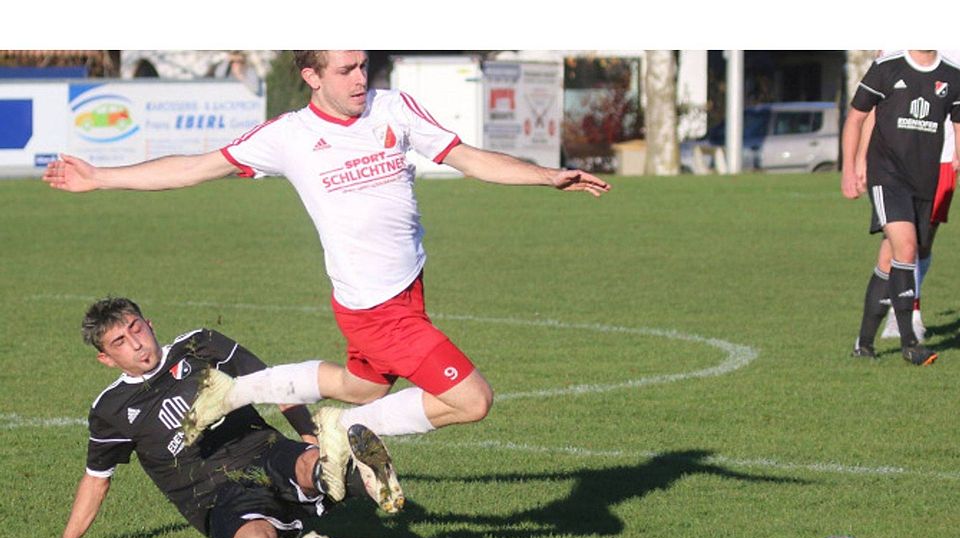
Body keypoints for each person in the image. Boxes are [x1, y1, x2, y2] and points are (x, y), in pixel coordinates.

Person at [43, 50, 611, 441]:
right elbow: (195, 167)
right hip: (377, 309)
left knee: (360, 385)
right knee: (473, 401)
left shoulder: (394, 109)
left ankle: (239, 389)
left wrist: (545, 175)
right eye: (346, 70)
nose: (360, 78)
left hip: (408, 288)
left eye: (364, 65)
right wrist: (102, 176)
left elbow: (469, 158)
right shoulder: (288, 137)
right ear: (313, 77)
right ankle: (343, 430)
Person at [41, 297, 402, 538]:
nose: (136, 344)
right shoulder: (111, 410)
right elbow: (96, 480)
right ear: (105, 358)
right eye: (119, 341)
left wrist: (310, 439)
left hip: (264, 452)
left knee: (313, 466)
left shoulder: (199, 346)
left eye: (136, 328)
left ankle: (349, 470)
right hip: (215, 497)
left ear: (149, 324)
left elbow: (275, 386)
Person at [841, 49, 960, 365]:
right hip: (887, 175)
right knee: (906, 248)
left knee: (890, 257)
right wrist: (851, 169)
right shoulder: (887, 67)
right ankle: (909, 342)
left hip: (924, 179)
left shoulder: (952, 75)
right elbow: (857, 117)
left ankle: (863, 344)